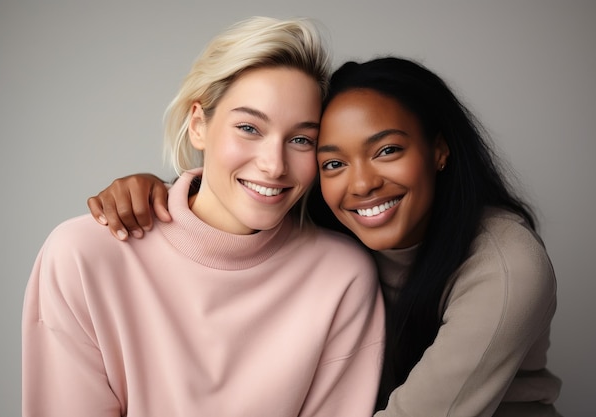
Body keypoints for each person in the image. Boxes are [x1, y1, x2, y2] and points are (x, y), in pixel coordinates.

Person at [89, 55, 563, 416]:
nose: (360, 184)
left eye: (388, 150)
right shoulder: (333, 219)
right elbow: (246, 198)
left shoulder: (506, 265)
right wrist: (161, 192)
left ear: (439, 150)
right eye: (333, 162)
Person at [22, 17, 386, 417]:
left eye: (301, 139)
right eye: (249, 128)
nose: (273, 164)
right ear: (198, 125)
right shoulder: (83, 256)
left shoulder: (342, 278)